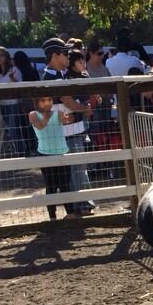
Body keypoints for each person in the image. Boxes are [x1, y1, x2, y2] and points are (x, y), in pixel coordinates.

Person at [41, 38, 96, 216]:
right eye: (64, 53)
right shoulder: (54, 77)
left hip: (69, 130)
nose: (67, 56)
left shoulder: (56, 75)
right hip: (68, 132)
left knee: (74, 169)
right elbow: (68, 101)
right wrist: (84, 109)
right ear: (54, 55)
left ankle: (77, 206)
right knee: (77, 169)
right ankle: (82, 205)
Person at [28, 94, 75, 220]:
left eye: (49, 100)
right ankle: (52, 216)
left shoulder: (58, 113)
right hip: (45, 154)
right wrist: (46, 117)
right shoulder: (33, 114)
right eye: (43, 100)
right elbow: (40, 126)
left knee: (65, 185)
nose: (47, 103)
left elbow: (67, 120)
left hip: (62, 152)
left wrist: (68, 117)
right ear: (37, 102)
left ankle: (70, 213)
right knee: (51, 186)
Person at [0, 47, 22, 157]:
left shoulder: (13, 70)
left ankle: (21, 152)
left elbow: (20, 86)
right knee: (8, 130)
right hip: (2, 105)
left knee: (14, 130)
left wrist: (12, 78)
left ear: (6, 57)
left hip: (13, 104)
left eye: (1, 55)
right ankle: (15, 151)